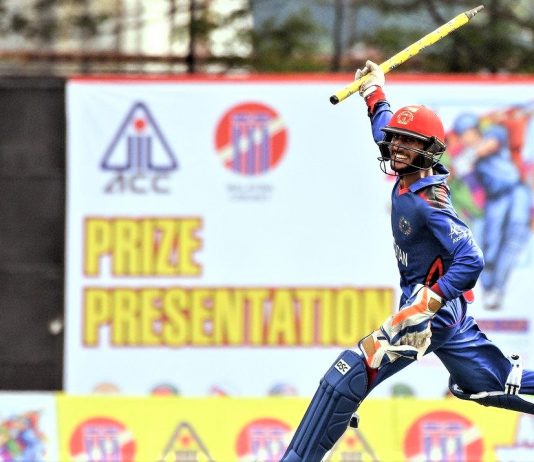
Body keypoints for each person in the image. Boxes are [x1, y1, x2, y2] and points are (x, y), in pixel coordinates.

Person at [281, 61, 534, 462]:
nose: (396, 146)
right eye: (396, 140)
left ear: (428, 150)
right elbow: (383, 127)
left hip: (431, 317)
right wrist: (374, 90)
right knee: (490, 384)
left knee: (348, 375)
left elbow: (471, 259)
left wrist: (427, 302)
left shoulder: (429, 202)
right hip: (445, 314)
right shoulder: (405, 166)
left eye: (408, 142)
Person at [449, 112, 531, 310]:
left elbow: (490, 145)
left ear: (475, 130)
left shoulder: (492, 134)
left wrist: (468, 157)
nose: (465, 138)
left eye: (467, 133)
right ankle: (491, 289)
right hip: (495, 200)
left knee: (514, 240)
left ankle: (498, 288)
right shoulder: (462, 160)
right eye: (461, 135)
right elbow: (466, 184)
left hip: (516, 192)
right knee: (489, 248)